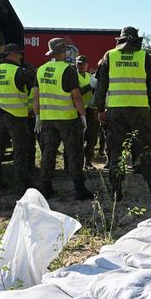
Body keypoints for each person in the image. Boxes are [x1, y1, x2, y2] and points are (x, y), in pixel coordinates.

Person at [94, 26, 151, 201]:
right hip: (140, 112)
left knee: (116, 151)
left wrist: (100, 109)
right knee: (145, 149)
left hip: (116, 112)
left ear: (120, 39)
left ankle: (116, 192)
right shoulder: (145, 57)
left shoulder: (109, 56)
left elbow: (101, 86)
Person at [33, 38, 94, 200]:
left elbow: (36, 96)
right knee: (74, 152)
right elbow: (76, 97)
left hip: (47, 120)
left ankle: (45, 187)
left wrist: (38, 116)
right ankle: (79, 189)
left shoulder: (40, 70)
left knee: (48, 153)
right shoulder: (67, 70)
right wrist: (83, 116)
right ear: (65, 51)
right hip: (67, 119)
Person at [0, 44, 33, 190]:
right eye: (19, 54)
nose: (21, 56)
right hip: (17, 117)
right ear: (11, 54)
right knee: (20, 150)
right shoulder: (21, 72)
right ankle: (23, 184)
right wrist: (32, 109)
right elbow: (33, 93)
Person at [75, 55, 98, 169]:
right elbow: (77, 93)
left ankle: (87, 161)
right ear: (76, 64)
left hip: (90, 110)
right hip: (77, 110)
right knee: (76, 138)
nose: (81, 66)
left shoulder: (90, 77)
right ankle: (74, 164)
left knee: (91, 137)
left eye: (83, 63)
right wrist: (90, 86)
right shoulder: (73, 76)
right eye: (79, 63)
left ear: (87, 65)